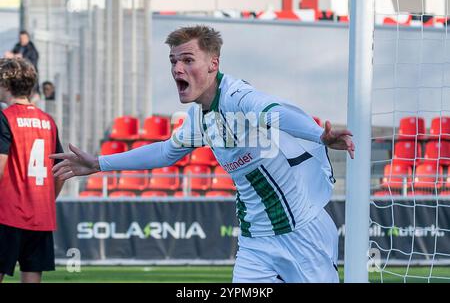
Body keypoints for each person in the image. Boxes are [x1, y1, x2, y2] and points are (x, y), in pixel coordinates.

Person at [50, 25, 355, 283]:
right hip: (256, 242)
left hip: (301, 232)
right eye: (173, 61)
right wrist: (99, 163)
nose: (177, 69)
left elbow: (273, 111)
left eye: (187, 60)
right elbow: (165, 152)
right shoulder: (199, 117)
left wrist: (319, 135)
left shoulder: (238, 97)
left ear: (213, 64)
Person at [0, 58, 65, 283]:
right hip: (41, 215)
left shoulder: (5, 118)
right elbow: (61, 170)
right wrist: (47, 200)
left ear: (5, 84)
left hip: (7, 213)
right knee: (32, 275)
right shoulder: (48, 121)